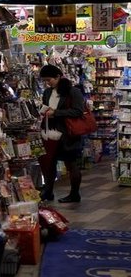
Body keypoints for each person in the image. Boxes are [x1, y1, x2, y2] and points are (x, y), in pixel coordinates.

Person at [39, 65, 85, 203]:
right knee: (49, 163)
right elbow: (46, 106)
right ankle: (48, 191)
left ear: (58, 76)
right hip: (50, 133)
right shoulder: (47, 92)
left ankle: (74, 194)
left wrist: (56, 113)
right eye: (45, 81)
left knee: (71, 164)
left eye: (49, 80)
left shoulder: (73, 91)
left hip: (68, 133)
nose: (48, 83)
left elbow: (78, 111)